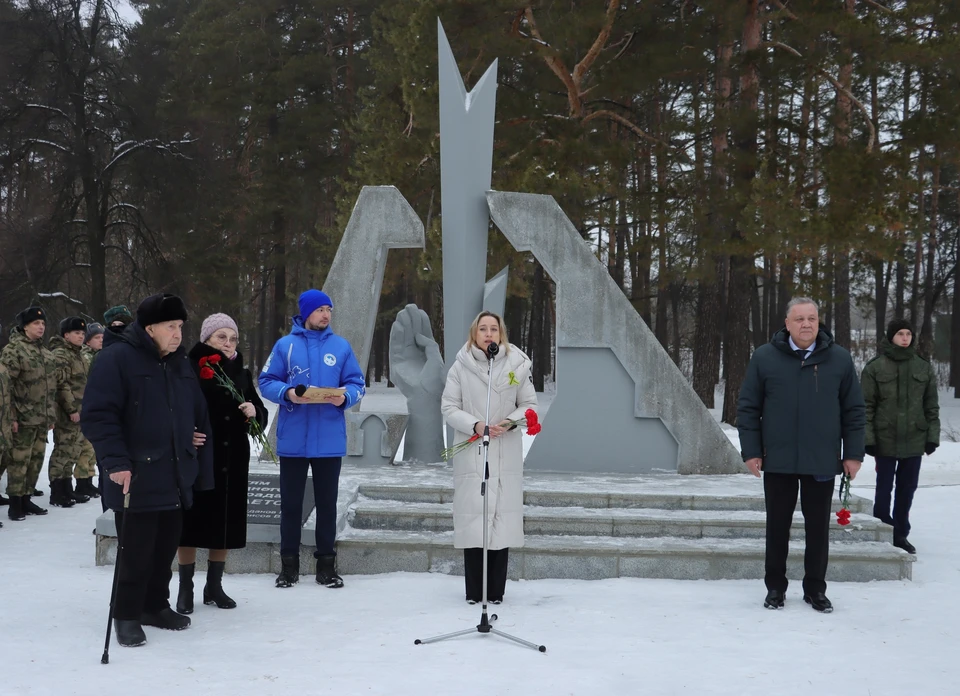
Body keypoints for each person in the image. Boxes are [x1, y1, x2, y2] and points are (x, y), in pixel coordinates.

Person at [81, 293, 214, 648]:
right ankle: (126, 614)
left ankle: (154, 606)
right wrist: (115, 462)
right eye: (171, 326)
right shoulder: (117, 358)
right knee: (136, 551)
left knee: (164, 548)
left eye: (180, 327)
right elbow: (98, 416)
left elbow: (189, 406)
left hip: (173, 474)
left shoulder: (178, 362)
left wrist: (191, 433)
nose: (177, 334)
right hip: (135, 475)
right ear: (150, 327)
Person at [737, 297, 865, 613]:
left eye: (811, 318)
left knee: (818, 528)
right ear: (787, 323)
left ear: (818, 322)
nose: (806, 324)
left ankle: (815, 590)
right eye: (799, 319)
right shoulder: (765, 358)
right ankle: (775, 589)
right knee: (777, 526)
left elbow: (854, 410)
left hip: (821, 459)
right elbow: (749, 407)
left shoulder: (839, 359)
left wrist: (853, 454)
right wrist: (752, 450)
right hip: (777, 459)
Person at [259, 289, 365, 589]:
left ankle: (326, 567)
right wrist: (288, 394)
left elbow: (357, 383)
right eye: (320, 310)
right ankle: (288, 566)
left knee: (327, 505)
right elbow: (266, 381)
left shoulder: (341, 347)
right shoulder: (285, 345)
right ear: (306, 313)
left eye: (329, 310)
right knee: (291, 505)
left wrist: (343, 399)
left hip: (329, 441)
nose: (326, 315)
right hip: (293, 440)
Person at [440, 311, 538, 604]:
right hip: (473, 448)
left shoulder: (516, 365)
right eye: (483, 329)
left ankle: (495, 592)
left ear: (501, 334)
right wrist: (476, 425)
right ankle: (474, 591)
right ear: (474, 334)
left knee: (500, 518)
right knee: (475, 517)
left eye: (494, 329)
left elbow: (530, 404)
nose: (488, 334)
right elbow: (449, 407)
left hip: (503, 448)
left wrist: (509, 422)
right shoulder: (461, 366)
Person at [176, 313, 267, 613]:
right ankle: (185, 587)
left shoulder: (240, 371)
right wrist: (184, 434)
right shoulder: (189, 367)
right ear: (206, 339)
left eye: (233, 338)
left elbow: (259, 414)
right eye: (221, 337)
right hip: (202, 457)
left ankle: (214, 585)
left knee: (225, 522)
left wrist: (255, 412)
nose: (228, 344)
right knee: (191, 523)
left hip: (233, 458)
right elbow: (175, 409)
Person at [860, 319, 939, 555]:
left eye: (908, 334)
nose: (905, 338)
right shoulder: (875, 367)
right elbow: (866, 406)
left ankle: (900, 533)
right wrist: (869, 438)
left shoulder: (923, 367)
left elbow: (931, 406)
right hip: (885, 437)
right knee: (884, 487)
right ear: (891, 336)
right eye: (900, 334)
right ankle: (882, 526)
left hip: (914, 438)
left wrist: (932, 436)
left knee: (907, 488)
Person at [1, 306, 57, 522]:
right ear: (25, 327)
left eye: (43, 324)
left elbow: (50, 388)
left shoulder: (45, 353)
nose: (41, 327)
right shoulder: (14, 350)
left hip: (41, 418)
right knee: (18, 461)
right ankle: (15, 502)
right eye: (36, 323)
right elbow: (7, 386)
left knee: (35, 460)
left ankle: (26, 497)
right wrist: (12, 416)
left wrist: (50, 415)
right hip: (22, 418)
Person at [48, 317, 95, 507]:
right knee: (63, 450)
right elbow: (62, 385)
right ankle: (57, 492)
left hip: (80, 410)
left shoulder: (78, 355)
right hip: (67, 412)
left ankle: (67, 488)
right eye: (77, 333)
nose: (81, 336)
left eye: (83, 334)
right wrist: (71, 409)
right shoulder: (61, 354)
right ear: (66, 335)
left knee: (74, 450)